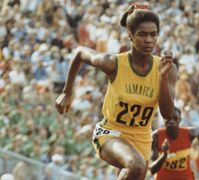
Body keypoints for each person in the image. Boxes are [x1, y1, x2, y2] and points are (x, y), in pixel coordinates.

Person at [55, 3, 177, 180]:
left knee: (137, 169)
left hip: (141, 140)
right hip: (111, 132)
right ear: (130, 36)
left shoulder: (167, 68)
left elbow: (167, 114)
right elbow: (80, 53)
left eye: (153, 35)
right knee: (136, 166)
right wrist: (67, 92)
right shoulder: (114, 63)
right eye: (142, 34)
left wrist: (163, 78)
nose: (149, 40)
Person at [150, 107, 199, 180]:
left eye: (175, 119)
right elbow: (153, 170)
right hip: (164, 176)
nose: (172, 121)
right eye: (169, 118)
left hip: (184, 175)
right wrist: (164, 155)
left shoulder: (188, 133)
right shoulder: (156, 136)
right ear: (164, 120)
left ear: (180, 120)